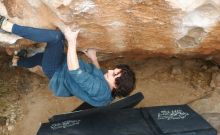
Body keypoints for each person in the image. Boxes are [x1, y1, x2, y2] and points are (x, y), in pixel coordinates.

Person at [0, 15, 136, 107]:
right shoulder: (109, 93)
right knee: (40, 58)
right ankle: (16, 62)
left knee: (56, 37)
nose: (110, 70)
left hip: (57, 71)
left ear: (116, 86)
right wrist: (93, 58)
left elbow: (75, 71)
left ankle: (7, 26)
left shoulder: (99, 90)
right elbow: (100, 74)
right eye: (114, 70)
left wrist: (71, 40)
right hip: (62, 72)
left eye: (113, 74)